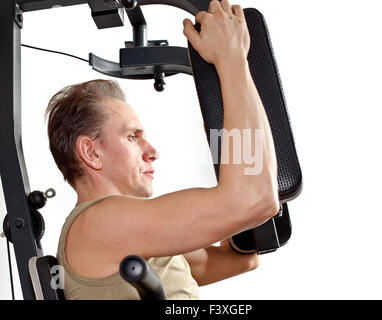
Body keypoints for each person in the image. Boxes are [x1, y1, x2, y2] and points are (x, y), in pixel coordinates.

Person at [47, 0, 279, 300]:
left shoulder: (130, 232)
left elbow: (241, 258)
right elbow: (252, 200)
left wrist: (248, 185)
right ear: (91, 153)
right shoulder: (100, 223)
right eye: (132, 137)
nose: (152, 151)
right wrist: (231, 58)